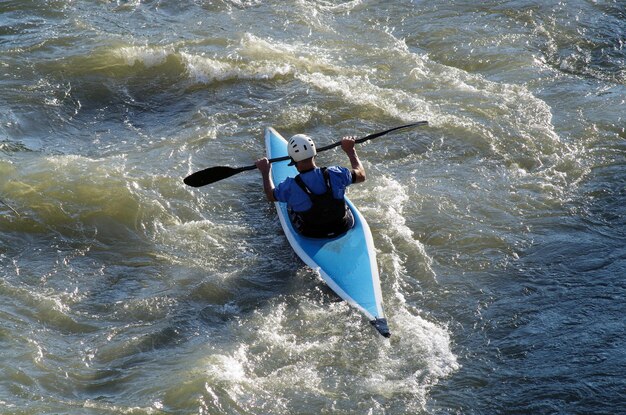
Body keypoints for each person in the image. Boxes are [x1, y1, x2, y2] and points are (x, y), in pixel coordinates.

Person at [255, 133, 366, 238]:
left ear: (293, 160)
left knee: (290, 204)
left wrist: (265, 172)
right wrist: (351, 151)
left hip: (312, 233)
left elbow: (270, 196)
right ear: (315, 154)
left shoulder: (289, 187)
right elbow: (361, 175)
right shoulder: (336, 173)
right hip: (342, 226)